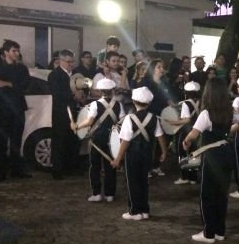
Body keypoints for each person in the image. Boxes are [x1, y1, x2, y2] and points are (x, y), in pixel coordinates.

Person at [183, 78, 239, 243]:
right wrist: (228, 133)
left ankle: (208, 233)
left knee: (207, 194)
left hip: (211, 157)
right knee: (221, 194)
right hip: (226, 153)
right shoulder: (230, 111)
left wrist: (186, 141)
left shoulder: (206, 113)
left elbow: (193, 134)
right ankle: (219, 231)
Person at [110, 87, 167, 220]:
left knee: (132, 182)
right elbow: (160, 136)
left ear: (134, 101)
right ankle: (145, 210)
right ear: (149, 103)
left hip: (132, 155)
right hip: (147, 154)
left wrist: (118, 158)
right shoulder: (154, 118)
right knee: (143, 181)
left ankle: (135, 212)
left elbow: (125, 141)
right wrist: (164, 152)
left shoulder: (129, 118)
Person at [72, 78, 124, 202]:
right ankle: (110, 194)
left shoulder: (95, 104)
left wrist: (77, 126)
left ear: (100, 91)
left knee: (95, 166)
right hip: (112, 139)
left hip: (97, 139)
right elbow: (122, 121)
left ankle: (96, 194)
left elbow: (89, 121)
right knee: (110, 165)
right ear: (112, 90)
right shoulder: (119, 104)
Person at [0, 40, 31, 181]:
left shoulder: (22, 68)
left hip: (18, 108)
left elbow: (25, 85)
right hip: (2, 109)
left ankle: (16, 170)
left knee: (16, 141)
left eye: (18, 51)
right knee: (1, 141)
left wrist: (7, 83)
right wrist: (14, 84)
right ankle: (1, 172)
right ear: (6, 52)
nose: (17, 53)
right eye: (14, 51)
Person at [48, 49, 79, 180]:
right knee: (59, 141)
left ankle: (69, 168)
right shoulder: (54, 75)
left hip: (74, 112)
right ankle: (57, 170)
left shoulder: (75, 75)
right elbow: (57, 93)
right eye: (68, 62)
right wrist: (73, 95)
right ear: (60, 61)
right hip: (60, 113)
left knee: (71, 141)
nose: (71, 64)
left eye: (72, 61)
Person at [173, 81, 201, 185]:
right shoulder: (201, 101)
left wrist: (173, 122)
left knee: (182, 153)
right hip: (196, 130)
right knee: (194, 153)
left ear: (186, 92)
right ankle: (193, 178)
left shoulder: (186, 103)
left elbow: (186, 120)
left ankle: (184, 177)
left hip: (185, 131)